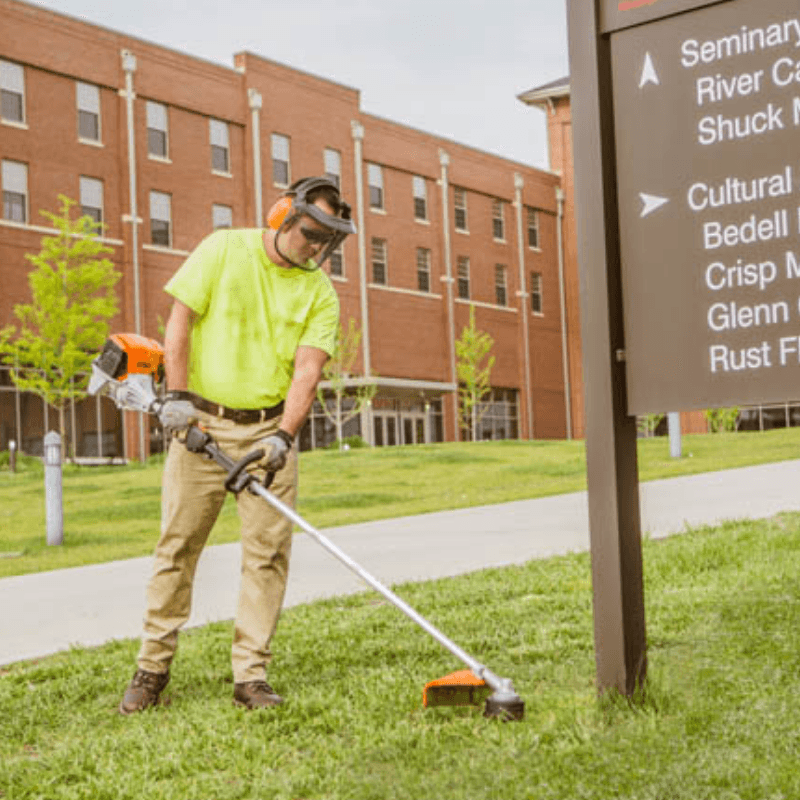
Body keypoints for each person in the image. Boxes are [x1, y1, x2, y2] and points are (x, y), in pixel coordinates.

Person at [119, 177, 355, 713]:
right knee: (177, 548)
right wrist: (177, 399)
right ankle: (152, 668)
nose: (316, 247)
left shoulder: (320, 293)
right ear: (282, 216)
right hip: (199, 420)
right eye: (311, 233)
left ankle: (250, 675)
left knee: (267, 553)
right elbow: (179, 325)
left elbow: (306, 372)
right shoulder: (224, 249)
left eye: (327, 240)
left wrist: (283, 438)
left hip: (268, 432)